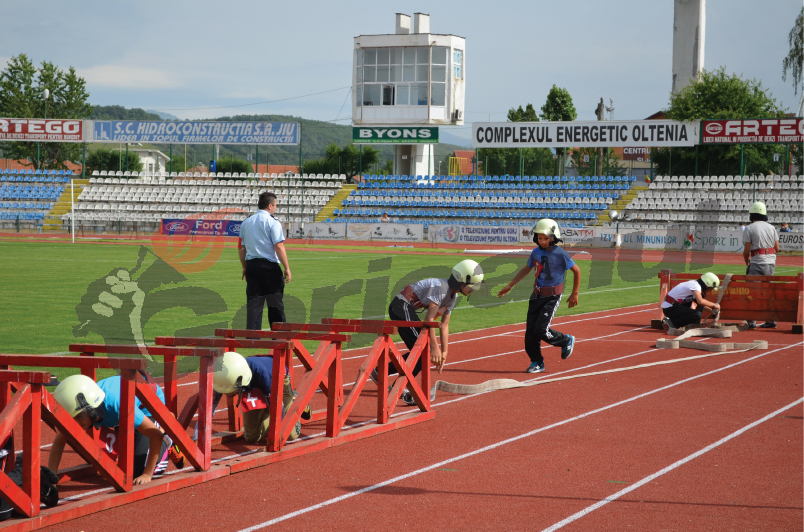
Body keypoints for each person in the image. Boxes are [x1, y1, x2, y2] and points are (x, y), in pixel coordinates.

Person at [372, 260, 484, 406]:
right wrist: (435, 348)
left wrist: (444, 352)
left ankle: (384, 374)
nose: (473, 289)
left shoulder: (452, 297)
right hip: (401, 306)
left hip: (406, 309)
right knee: (424, 350)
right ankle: (395, 382)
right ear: (461, 280)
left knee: (423, 352)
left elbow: (444, 325)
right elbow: (429, 319)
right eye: (472, 285)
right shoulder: (442, 288)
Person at [49, 373, 182, 485]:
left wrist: (147, 474)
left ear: (91, 410)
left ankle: (167, 438)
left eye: (79, 418)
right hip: (122, 413)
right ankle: (136, 433)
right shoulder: (91, 405)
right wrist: (52, 479)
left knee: (139, 470)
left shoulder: (117, 405)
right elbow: (60, 440)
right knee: (126, 463)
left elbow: (155, 435)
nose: (76, 424)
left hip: (147, 407)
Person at [497, 219, 580, 373]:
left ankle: (565, 340)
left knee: (541, 330)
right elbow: (526, 269)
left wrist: (575, 293)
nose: (542, 241)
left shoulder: (561, 254)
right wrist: (511, 284)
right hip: (536, 296)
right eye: (540, 238)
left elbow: (577, 270)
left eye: (546, 238)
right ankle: (537, 362)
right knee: (530, 334)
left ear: (554, 237)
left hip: (552, 297)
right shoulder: (535, 253)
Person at [212, 352, 303, 444]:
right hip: (250, 386)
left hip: (277, 381)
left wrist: (277, 436)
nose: (229, 394)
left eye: (231, 391)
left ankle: (295, 399)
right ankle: (266, 411)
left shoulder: (263, 374)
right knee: (251, 437)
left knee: (289, 434)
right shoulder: (222, 378)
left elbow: (278, 407)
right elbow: (210, 407)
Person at [239, 192, 291, 331]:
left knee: (254, 304)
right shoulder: (272, 222)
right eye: (275, 206)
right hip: (269, 266)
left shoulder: (246, 222)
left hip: (251, 265)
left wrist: (244, 267)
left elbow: (241, 248)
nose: (275, 208)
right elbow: (278, 246)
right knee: (275, 303)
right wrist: (287, 267)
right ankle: (278, 336)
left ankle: (252, 337)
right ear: (270, 206)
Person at [743, 201, 780, 329]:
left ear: (752, 214)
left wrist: (746, 260)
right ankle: (770, 320)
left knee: (752, 293)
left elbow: (746, 250)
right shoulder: (771, 227)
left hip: (757, 262)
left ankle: (751, 322)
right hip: (770, 263)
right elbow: (777, 248)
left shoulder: (749, 228)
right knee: (767, 293)